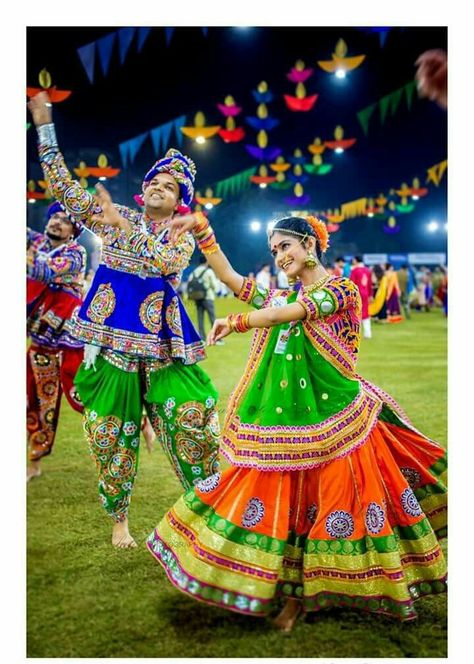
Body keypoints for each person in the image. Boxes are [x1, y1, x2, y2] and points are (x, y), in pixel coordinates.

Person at [136, 212, 446, 631]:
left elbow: (295, 313)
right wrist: (204, 231)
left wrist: (237, 321)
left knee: (340, 505)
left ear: (309, 244)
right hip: (290, 430)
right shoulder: (280, 297)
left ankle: (353, 585)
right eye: (274, 250)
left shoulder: (342, 289)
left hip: (339, 424)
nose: (280, 256)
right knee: (291, 510)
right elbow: (230, 277)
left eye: (285, 246)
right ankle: (290, 597)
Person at [28, 91, 220, 549]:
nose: (158, 187)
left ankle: (211, 511)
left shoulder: (181, 234)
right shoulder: (116, 217)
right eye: (154, 181)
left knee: (192, 417)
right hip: (111, 344)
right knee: (108, 430)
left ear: (180, 203)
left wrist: (125, 226)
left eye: (170, 187)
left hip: (162, 347)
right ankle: (120, 522)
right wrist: (44, 123)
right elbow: (62, 186)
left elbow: (160, 263)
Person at [27, 202, 86, 481]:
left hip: (70, 345)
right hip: (40, 339)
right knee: (34, 401)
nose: (57, 223)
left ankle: (132, 426)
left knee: (85, 398)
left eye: (65, 221)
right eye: (55, 217)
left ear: (73, 232)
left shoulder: (75, 253)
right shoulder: (37, 243)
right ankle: (34, 462)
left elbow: (44, 272)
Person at [187, 256, 222, 342]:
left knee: (200, 318)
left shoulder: (194, 272)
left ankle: (201, 337)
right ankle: (216, 338)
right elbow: (214, 285)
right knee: (212, 318)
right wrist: (217, 291)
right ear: (207, 262)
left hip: (197, 297)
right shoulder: (208, 271)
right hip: (208, 297)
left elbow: (189, 282)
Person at [350, 255, 372, 338]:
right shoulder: (368, 270)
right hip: (365, 294)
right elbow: (370, 284)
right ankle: (368, 333)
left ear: (356, 260)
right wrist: (370, 295)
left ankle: (356, 333)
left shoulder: (354, 270)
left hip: (357, 294)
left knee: (356, 312)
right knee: (365, 312)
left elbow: (352, 283)